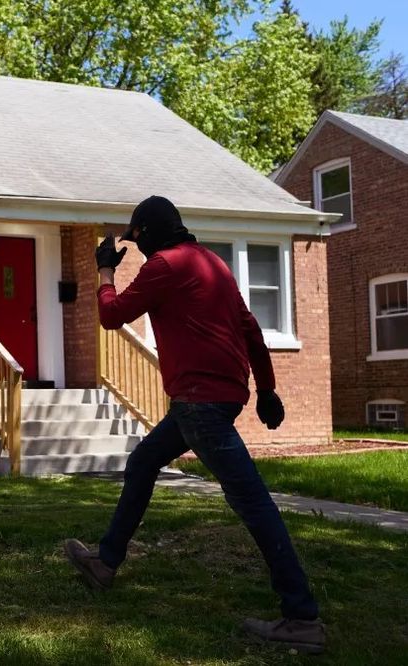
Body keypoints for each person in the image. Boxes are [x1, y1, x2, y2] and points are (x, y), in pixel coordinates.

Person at [63, 195, 325, 654]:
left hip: (199, 404)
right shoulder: (212, 263)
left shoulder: (164, 265)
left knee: (253, 503)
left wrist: (105, 270)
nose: (138, 249)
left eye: (137, 240)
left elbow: (110, 316)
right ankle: (105, 561)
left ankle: (302, 617)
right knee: (144, 463)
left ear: (147, 233)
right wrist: (266, 389)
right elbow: (251, 330)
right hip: (217, 400)